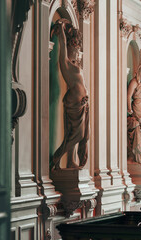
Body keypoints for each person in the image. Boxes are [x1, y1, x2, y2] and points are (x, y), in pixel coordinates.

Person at [51, 19, 89, 170]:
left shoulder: (75, 65)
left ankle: (70, 162)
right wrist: (61, 30)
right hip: (74, 103)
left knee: (83, 135)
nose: (77, 50)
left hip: (82, 103)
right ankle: (56, 158)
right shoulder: (65, 64)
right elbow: (62, 45)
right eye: (74, 46)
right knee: (77, 134)